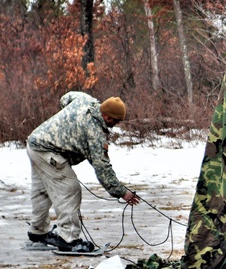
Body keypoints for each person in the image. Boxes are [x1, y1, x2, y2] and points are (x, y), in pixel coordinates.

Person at [26, 92, 141, 253]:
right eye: (114, 120)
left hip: (34, 143)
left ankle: (38, 232)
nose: (115, 124)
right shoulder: (95, 132)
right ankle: (69, 239)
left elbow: (66, 97)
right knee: (69, 189)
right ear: (106, 115)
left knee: (42, 191)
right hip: (48, 152)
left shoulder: (85, 100)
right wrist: (122, 192)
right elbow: (102, 167)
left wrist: (68, 119)